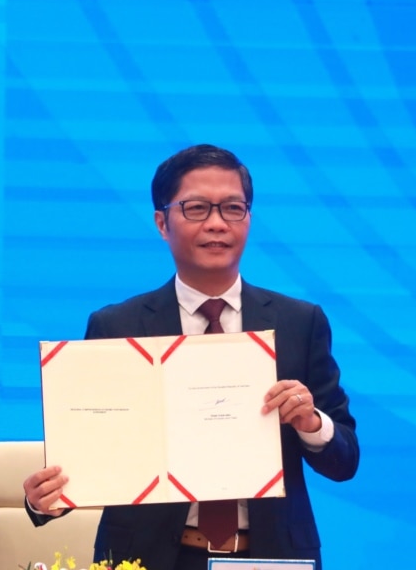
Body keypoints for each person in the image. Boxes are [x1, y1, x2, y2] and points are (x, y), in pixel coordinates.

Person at [23, 144, 359, 570]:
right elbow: (96, 451)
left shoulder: (300, 321)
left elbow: (345, 460)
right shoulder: (116, 326)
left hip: (273, 554)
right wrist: (45, 501)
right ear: (162, 222)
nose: (217, 224)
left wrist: (312, 424)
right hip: (150, 556)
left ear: (249, 218)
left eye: (233, 208)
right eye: (197, 208)